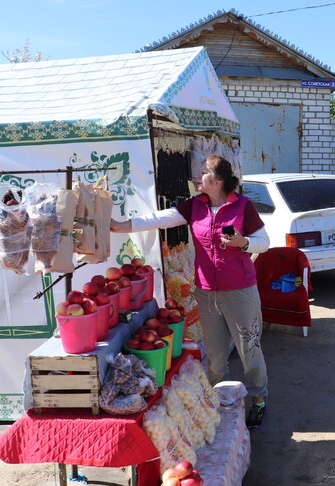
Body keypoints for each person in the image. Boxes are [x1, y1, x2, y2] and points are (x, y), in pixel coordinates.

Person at [110, 155, 270, 429]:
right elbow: (160, 218)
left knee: (249, 348)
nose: (197, 177)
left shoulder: (243, 206)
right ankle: (219, 400)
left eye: (203, 172)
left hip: (240, 290)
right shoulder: (195, 206)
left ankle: (258, 400)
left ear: (218, 180)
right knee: (216, 354)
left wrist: (243, 242)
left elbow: (264, 242)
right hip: (206, 291)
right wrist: (120, 226)